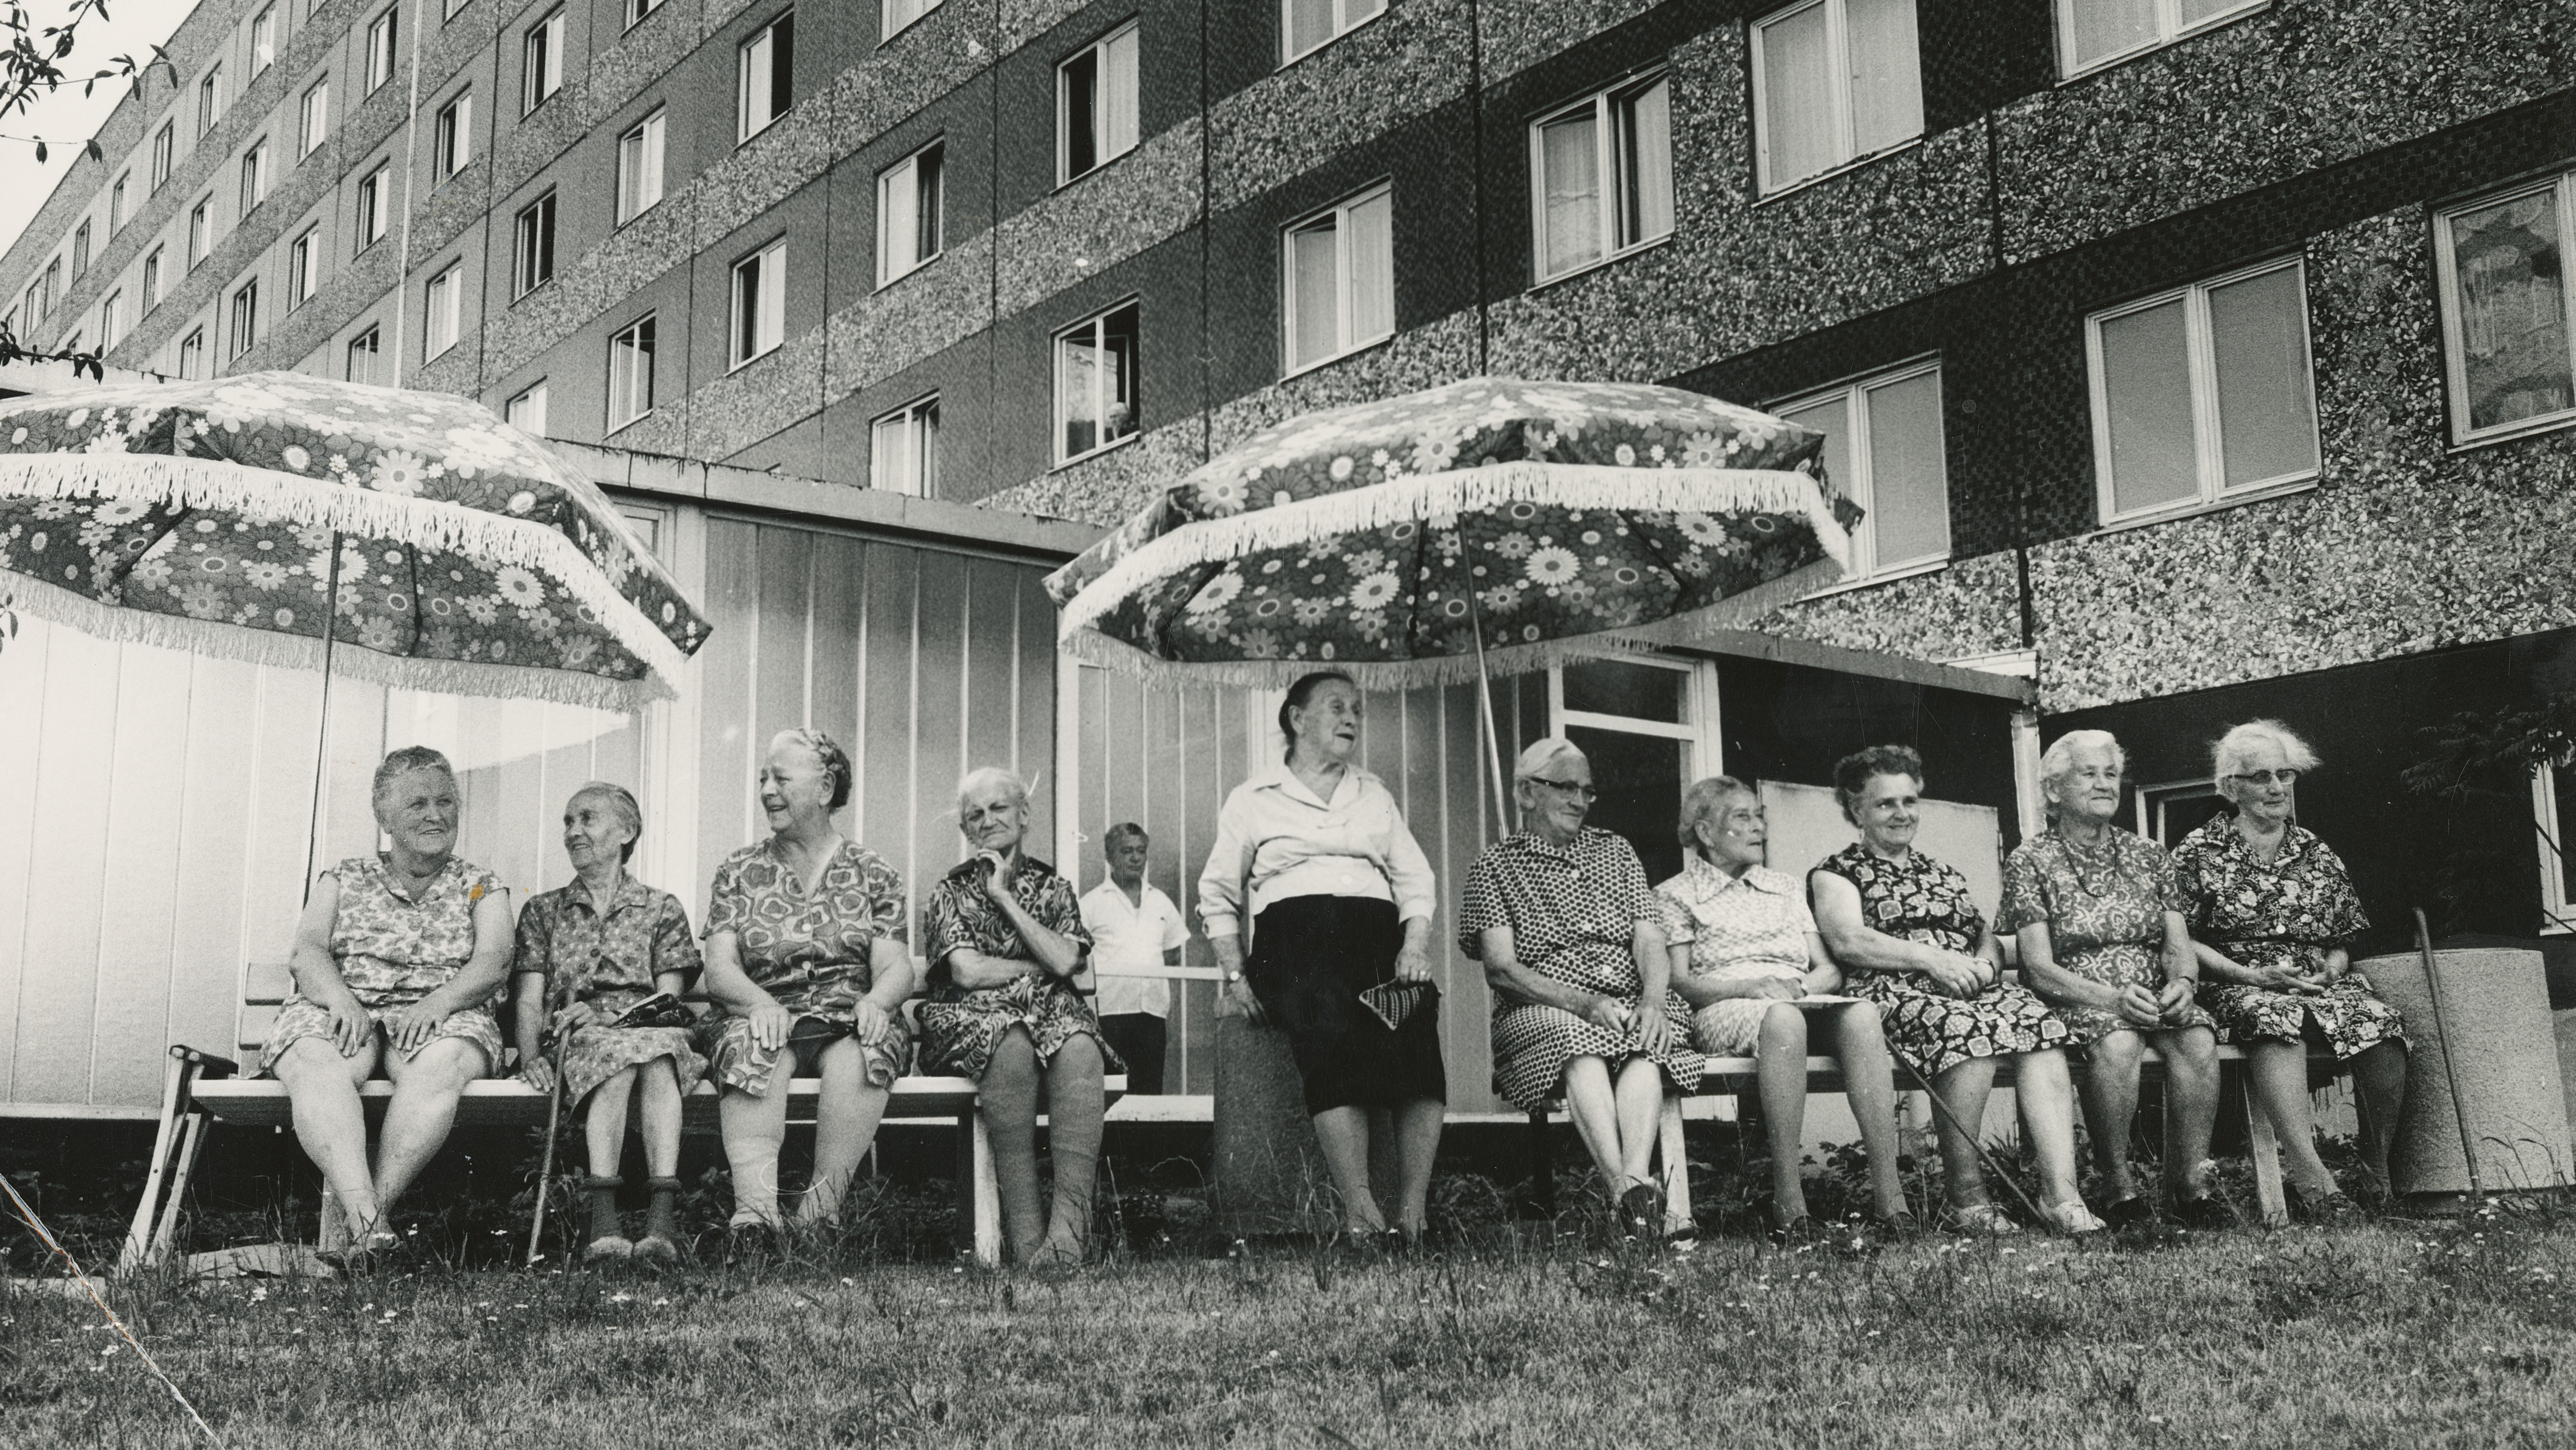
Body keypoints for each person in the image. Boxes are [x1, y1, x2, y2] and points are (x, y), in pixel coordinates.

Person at [1201, 671, 1446, 1250]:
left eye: (1357, 710)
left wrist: (1413, 945)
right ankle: (1358, 1203)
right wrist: (1234, 975)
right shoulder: (1253, 798)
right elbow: (1217, 894)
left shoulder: (1373, 793)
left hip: (1376, 935)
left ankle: (1412, 1208)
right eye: (1337, 707)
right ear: (1295, 718)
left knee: (1414, 1016)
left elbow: (1415, 878)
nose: (1352, 720)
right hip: (1295, 938)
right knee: (1327, 1011)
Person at [1809, 745, 2097, 1236]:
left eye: (1908, 802)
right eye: (1885, 804)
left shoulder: (1939, 871)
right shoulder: (1836, 872)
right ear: (1856, 809)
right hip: (1891, 989)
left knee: (2039, 1024)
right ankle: (1965, 1199)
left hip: (1964, 983)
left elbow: (1980, 931)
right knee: (1965, 1030)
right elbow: (1848, 940)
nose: (1901, 813)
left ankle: (2060, 1195)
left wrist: (1985, 963)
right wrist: (1931, 958)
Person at [263, 746, 512, 1266]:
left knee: (441, 1063)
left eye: (445, 802)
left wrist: (441, 1000)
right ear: (384, 817)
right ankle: (369, 1224)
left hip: (443, 1010)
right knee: (314, 1059)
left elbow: (493, 962)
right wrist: (339, 1000)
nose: (435, 814)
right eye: (417, 803)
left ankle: (361, 1226)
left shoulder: (480, 885)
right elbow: (307, 951)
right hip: (344, 1004)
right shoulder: (343, 877)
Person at [1460, 737, 1699, 1242]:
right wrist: (1584, 1003)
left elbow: (1650, 939)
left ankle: (1630, 1191)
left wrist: (1654, 1001)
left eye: (1587, 791)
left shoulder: (1615, 850)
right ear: (1526, 794)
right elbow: (1501, 970)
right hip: (1545, 1005)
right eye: (1565, 787)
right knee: (1579, 1045)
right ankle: (1630, 1194)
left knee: (1646, 1044)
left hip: (1631, 998)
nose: (1579, 800)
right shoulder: (1494, 867)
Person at [1656, 777, 1913, 1238]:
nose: (1759, 828)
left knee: (1860, 1014)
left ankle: (1889, 1199)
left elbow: (1828, 970)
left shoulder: (1784, 887)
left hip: (1795, 997)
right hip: (1727, 1006)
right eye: (1742, 818)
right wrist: (1756, 987)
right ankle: (1789, 1202)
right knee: (1782, 1019)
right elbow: (1680, 981)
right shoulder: (1675, 894)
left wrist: (1795, 987)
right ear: (1705, 832)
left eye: (1760, 817)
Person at [2173, 719, 2408, 1217]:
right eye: (2260, 776)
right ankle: (2314, 1181)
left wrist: (2331, 966)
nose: (2276, 787)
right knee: (2272, 1017)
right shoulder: (2197, 852)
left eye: (2285, 774)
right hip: (2236, 981)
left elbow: (2343, 936)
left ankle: (2373, 1173)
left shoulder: (2315, 852)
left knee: (2382, 1025)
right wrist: (2247, 975)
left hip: (2314, 981)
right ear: (2229, 787)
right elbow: (2179, 939)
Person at [2000, 730, 2227, 1231]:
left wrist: (2184, 984)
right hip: (2079, 996)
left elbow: (2176, 944)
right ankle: (2117, 1182)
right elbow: (2036, 967)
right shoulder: (2030, 859)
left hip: (2153, 994)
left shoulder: (2150, 855)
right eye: (2089, 774)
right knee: (2119, 1040)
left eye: (2111, 774)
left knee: (2195, 1035)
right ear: (2054, 790)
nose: (2104, 784)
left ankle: (2191, 1182)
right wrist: (2111, 999)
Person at [700, 729, 914, 1242]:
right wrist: (759, 1002)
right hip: (763, 1009)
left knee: (866, 1047)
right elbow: (720, 966)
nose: (767, 790)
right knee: (756, 1041)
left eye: (781, 778)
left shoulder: (873, 872)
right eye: (763, 779)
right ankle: (754, 1217)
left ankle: (819, 1215)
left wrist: (877, 1002)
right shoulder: (739, 869)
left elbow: (896, 966)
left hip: (847, 1013)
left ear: (824, 789)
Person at [920, 767, 1112, 1268]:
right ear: (965, 830)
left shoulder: (1053, 888)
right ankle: (1028, 1241)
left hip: (1048, 1015)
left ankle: (1068, 1238)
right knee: (1009, 1041)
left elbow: (1070, 961)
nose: (986, 822)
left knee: (1079, 1045)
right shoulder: (949, 892)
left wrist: (1004, 897)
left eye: (998, 809)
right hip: (969, 1018)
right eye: (974, 816)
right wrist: (1041, 963)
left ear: (1024, 815)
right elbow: (966, 971)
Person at [511, 783, 706, 1264]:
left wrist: (610, 1016)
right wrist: (532, 1054)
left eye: (587, 819)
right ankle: (604, 1225)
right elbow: (529, 998)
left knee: (655, 1052)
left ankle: (661, 1225)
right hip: (577, 1038)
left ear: (626, 831)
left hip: (651, 1029)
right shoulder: (543, 910)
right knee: (617, 1059)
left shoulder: (661, 907)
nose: (573, 831)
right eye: (568, 822)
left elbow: (669, 1001)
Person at [1080, 823, 1189, 1096]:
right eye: (1127, 851)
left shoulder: (1161, 902)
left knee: (1150, 1093)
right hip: (1110, 1015)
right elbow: (1076, 958)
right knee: (1111, 1094)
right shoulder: (1092, 903)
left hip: (1152, 1015)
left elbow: (1173, 954)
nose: (1135, 858)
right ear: (1110, 856)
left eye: (1141, 851)